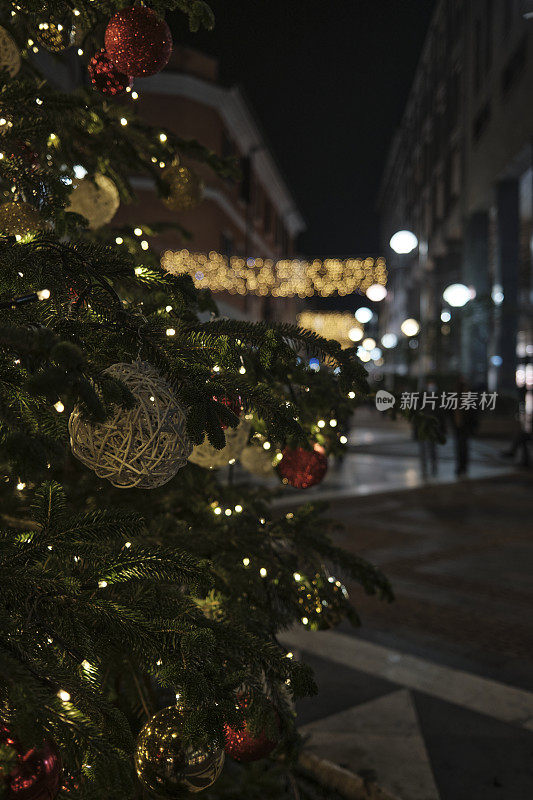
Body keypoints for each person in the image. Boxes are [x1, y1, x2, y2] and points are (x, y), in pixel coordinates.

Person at [450, 378, 478, 477]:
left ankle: (462, 466)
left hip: (462, 426)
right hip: (460, 426)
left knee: (461, 447)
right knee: (461, 447)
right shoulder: (458, 398)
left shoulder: (465, 398)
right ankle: (462, 466)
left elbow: (472, 414)